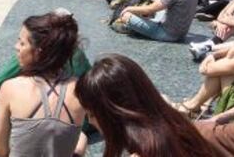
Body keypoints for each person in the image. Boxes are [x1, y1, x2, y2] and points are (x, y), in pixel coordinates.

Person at [0, 12, 86, 157]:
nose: (16, 47)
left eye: (22, 43)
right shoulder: (80, 88)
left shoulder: (10, 87)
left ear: (39, 51)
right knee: (81, 138)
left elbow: (1, 151)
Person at [75, 54, 222, 157]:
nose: (90, 121)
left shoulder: (145, 152)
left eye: (92, 114)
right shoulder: (175, 125)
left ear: (116, 113)